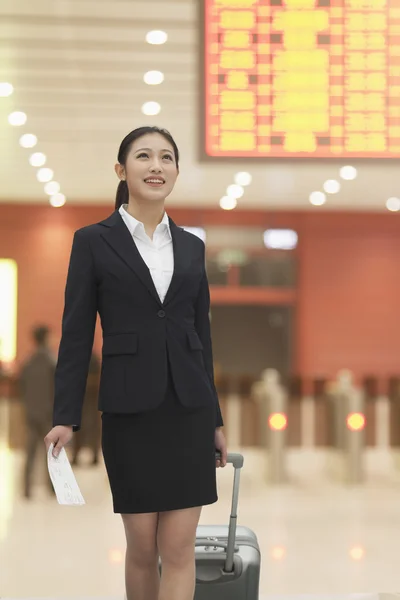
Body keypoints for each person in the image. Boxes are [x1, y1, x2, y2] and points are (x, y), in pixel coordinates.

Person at [44, 125, 228, 600]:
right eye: (144, 157)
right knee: (143, 548)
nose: (156, 167)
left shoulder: (192, 245)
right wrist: (65, 415)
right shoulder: (93, 241)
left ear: (176, 171)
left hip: (188, 411)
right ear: (122, 170)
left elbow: (200, 338)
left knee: (180, 547)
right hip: (130, 411)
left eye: (167, 158)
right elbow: (78, 332)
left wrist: (215, 418)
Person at [20, 325, 55, 498]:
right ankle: (52, 487)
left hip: (32, 412)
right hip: (48, 413)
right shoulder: (51, 361)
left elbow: (22, 388)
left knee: (30, 452)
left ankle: (26, 488)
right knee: (51, 453)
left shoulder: (29, 362)